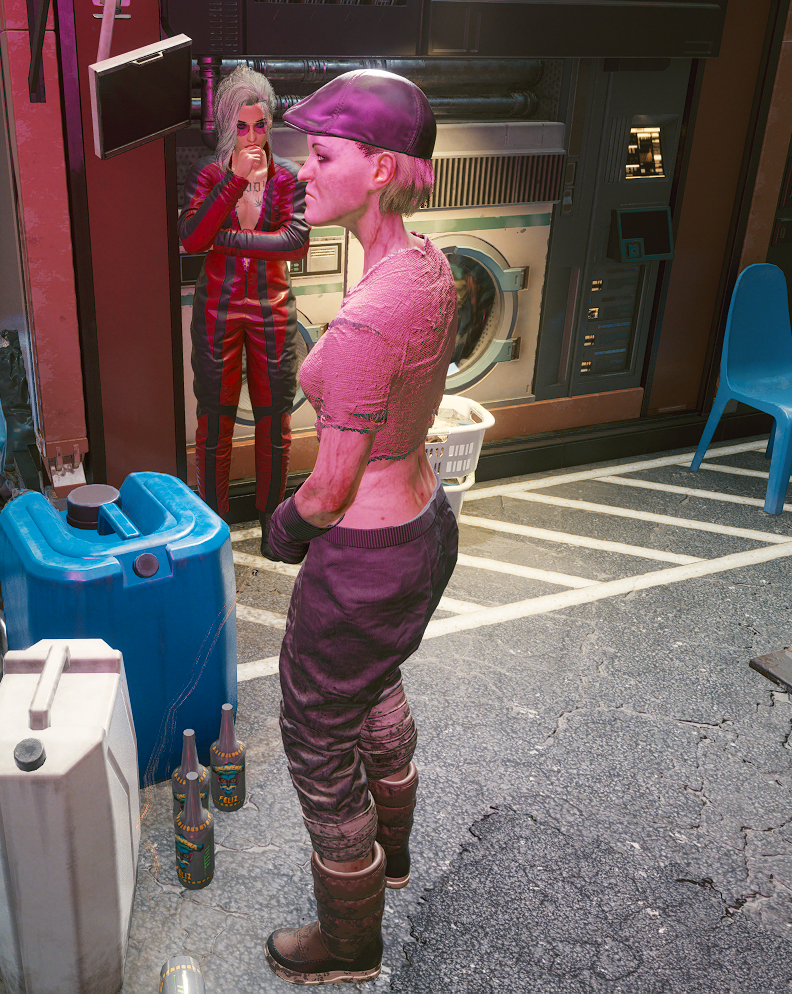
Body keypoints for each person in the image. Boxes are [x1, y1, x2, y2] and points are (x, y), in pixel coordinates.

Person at [260, 69, 458, 985]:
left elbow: (329, 492)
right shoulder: (427, 265)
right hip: (424, 526)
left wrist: (281, 530)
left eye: (321, 155)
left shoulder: (366, 328)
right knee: (374, 682)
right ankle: (398, 855)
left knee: (315, 731)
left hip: (365, 557)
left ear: (379, 169)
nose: (301, 170)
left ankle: (349, 944)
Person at [179, 65, 309, 521]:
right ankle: (212, 529)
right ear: (225, 125)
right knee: (214, 421)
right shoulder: (209, 173)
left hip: (273, 310)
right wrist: (234, 180)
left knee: (275, 421)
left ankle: (274, 525)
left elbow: (296, 242)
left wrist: (227, 241)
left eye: (260, 124)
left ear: (270, 123)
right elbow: (192, 239)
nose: (252, 136)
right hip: (218, 310)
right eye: (241, 126)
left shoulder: (287, 175)